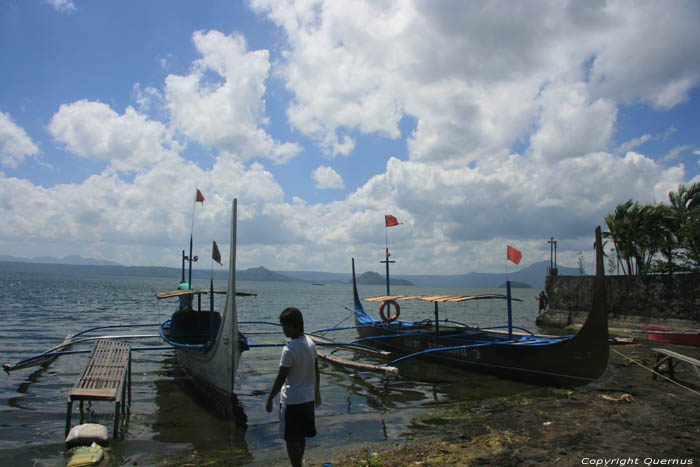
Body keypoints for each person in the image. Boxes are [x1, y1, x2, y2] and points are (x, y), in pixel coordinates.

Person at [266, 307, 321, 467]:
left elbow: (281, 377)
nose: (283, 329)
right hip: (308, 398)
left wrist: (269, 399)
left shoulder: (289, 349)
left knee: (291, 438)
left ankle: (296, 465)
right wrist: (317, 391)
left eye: (285, 326)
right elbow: (316, 369)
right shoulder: (311, 344)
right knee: (301, 435)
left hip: (292, 400)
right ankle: (299, 463)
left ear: (296, 326)